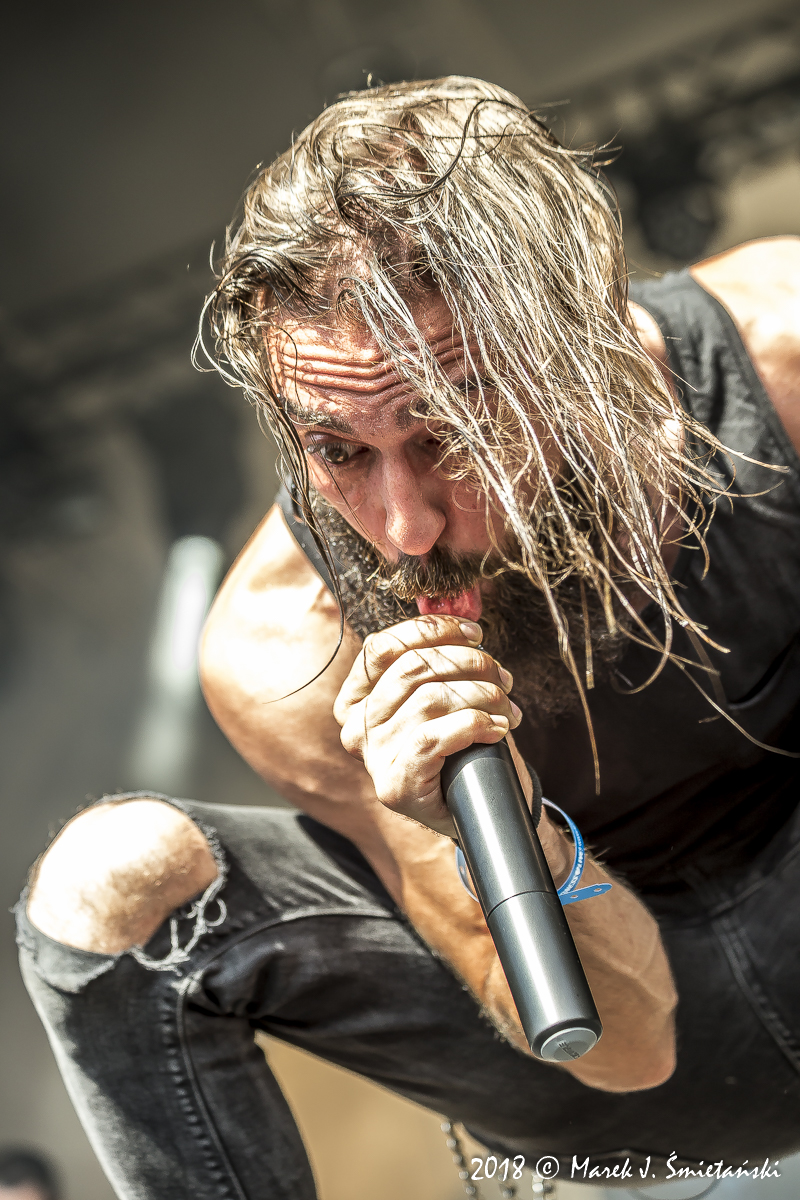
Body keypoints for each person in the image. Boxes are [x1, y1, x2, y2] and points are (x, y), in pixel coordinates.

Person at [17, 77, 800, 1198]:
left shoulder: (775, 356)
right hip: (633, 1059)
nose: (405, 526)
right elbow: (627, 1050)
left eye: (449, 433)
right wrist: (509, 837)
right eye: (339, 452)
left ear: (579, 345)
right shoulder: (288, 646)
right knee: (110, 880)